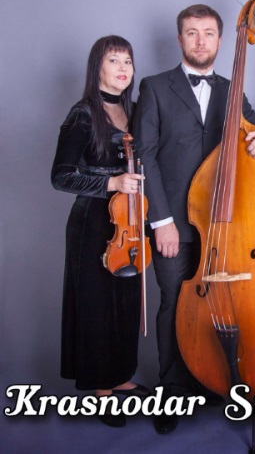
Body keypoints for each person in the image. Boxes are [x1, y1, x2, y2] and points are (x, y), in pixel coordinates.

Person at [132, 4, 255, 435]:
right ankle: (173, 391)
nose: (201, 40)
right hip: (175, 223)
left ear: (219, 39)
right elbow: (145, 156)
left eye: (209, 33)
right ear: (180, 39)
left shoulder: (232, 88)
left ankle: (217, 382)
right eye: (192, 33)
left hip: (225, 225)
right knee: (175, 305)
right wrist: (160, 221)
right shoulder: (155, 87)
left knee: (228, 303)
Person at [51, 36, 150, 427]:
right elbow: (61, 176)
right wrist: (112, 183)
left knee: (125, 300)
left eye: (128, 61)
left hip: (130, 220)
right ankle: (99, 388)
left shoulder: (135, 111)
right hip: (93, 221)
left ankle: (121, 376)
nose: (123, 68)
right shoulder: (82, 114)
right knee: (96, 304)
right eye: (114, 60)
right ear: (98, 67)